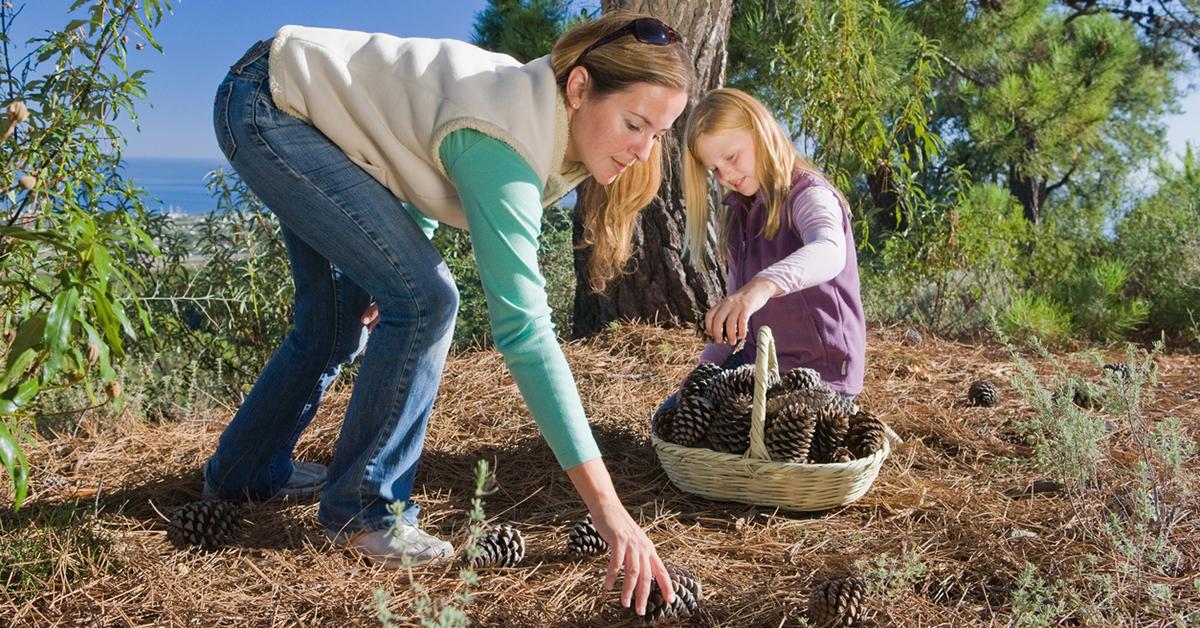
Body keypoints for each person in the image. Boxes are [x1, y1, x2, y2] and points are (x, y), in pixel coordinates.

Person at [203, 12, 691, 615]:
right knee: (428, 300)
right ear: (580, 87)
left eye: (659, 133)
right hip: (272, 106)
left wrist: (393, 258)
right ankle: (364, 510)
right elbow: (526, 332)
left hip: (292, 106)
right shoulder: (509, 136)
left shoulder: (556, 126)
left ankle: (245, 470)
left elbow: (416, 157)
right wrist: (608, 509)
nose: (644, 151)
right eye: (635, 123)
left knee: (338, 317)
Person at [671, 88, 866, 403]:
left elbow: (829, 250)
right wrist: (703, 372)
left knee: (753, 445)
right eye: (715, 170)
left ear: (760, 131)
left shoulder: (808, 194)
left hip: (820, 375)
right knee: (676, 419)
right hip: (756, 364)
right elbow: (736, 312)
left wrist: (761, 287)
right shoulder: (740, 216)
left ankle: (848, 418)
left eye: (731, 157)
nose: (726, 176)